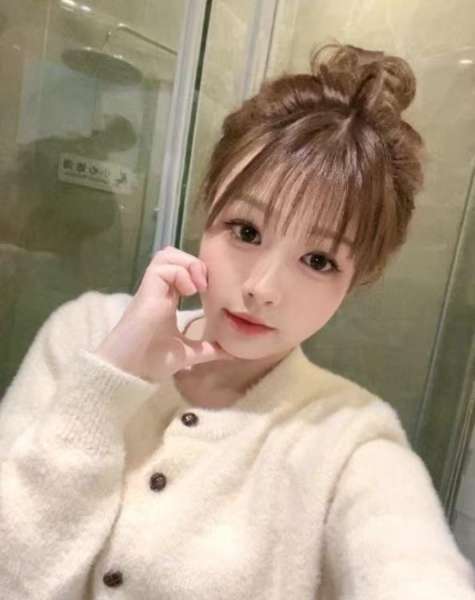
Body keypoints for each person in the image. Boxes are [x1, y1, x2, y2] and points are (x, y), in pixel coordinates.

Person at [0, 42, 474, 600]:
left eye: (319, 260)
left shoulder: (349, 439)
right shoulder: (83, 333)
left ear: (357, 280)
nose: (262, 289)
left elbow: (409, 559)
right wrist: (109, 381)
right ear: (208, 208)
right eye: (247, 231)